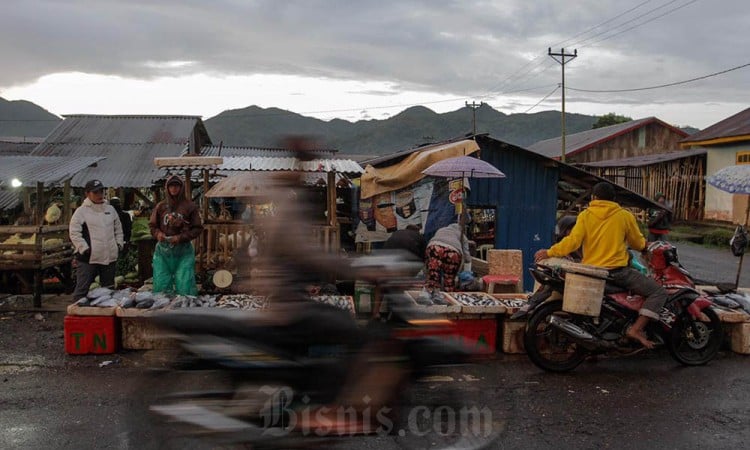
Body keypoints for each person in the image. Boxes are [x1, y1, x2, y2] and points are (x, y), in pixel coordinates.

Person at [534, 182, 668, 349]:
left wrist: (549, 252)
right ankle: (636, 329)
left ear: (594, 198)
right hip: (618, 273)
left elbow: (572, 242)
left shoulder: (585, 215)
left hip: (593, 272)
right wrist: (644, 248)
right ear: (613, 199)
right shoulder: (624, 216)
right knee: (658, 291)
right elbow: (637, 242)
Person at [69, 179, 124, 302]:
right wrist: (84, 248)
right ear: (87, 194)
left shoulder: (110, 209)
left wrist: (118, 244)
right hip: (88, 258)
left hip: (109, 257)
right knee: (82, 290)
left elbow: (118, 229)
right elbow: (74, 232)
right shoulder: (81, 212)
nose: (100, 195)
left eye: (101, 192)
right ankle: (79, 316)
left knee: (109, 290)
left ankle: (106, 317)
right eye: (96, 192)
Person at [149, 175, 203, 295]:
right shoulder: (160, 206)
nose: (174, 188)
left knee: (185, 285)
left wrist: (180, 238)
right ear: (167, 188)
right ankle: (163, 312)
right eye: (171, 186)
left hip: (183, 251)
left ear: (181, 187)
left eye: (176, 185)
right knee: (161, 284)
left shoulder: (190, 206)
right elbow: (152, 226)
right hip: (163, 251)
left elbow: (197, 228)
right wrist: (158, 234)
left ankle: (186, 312)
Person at [424, 222, 471, 298]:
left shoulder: (441, 229)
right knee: (449, 278)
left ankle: (428, 296)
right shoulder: (463, 236)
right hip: (452, 252)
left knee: (433, 274)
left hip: (434, 248)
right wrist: (468, 269)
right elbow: (467, 255)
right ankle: (449, 298)